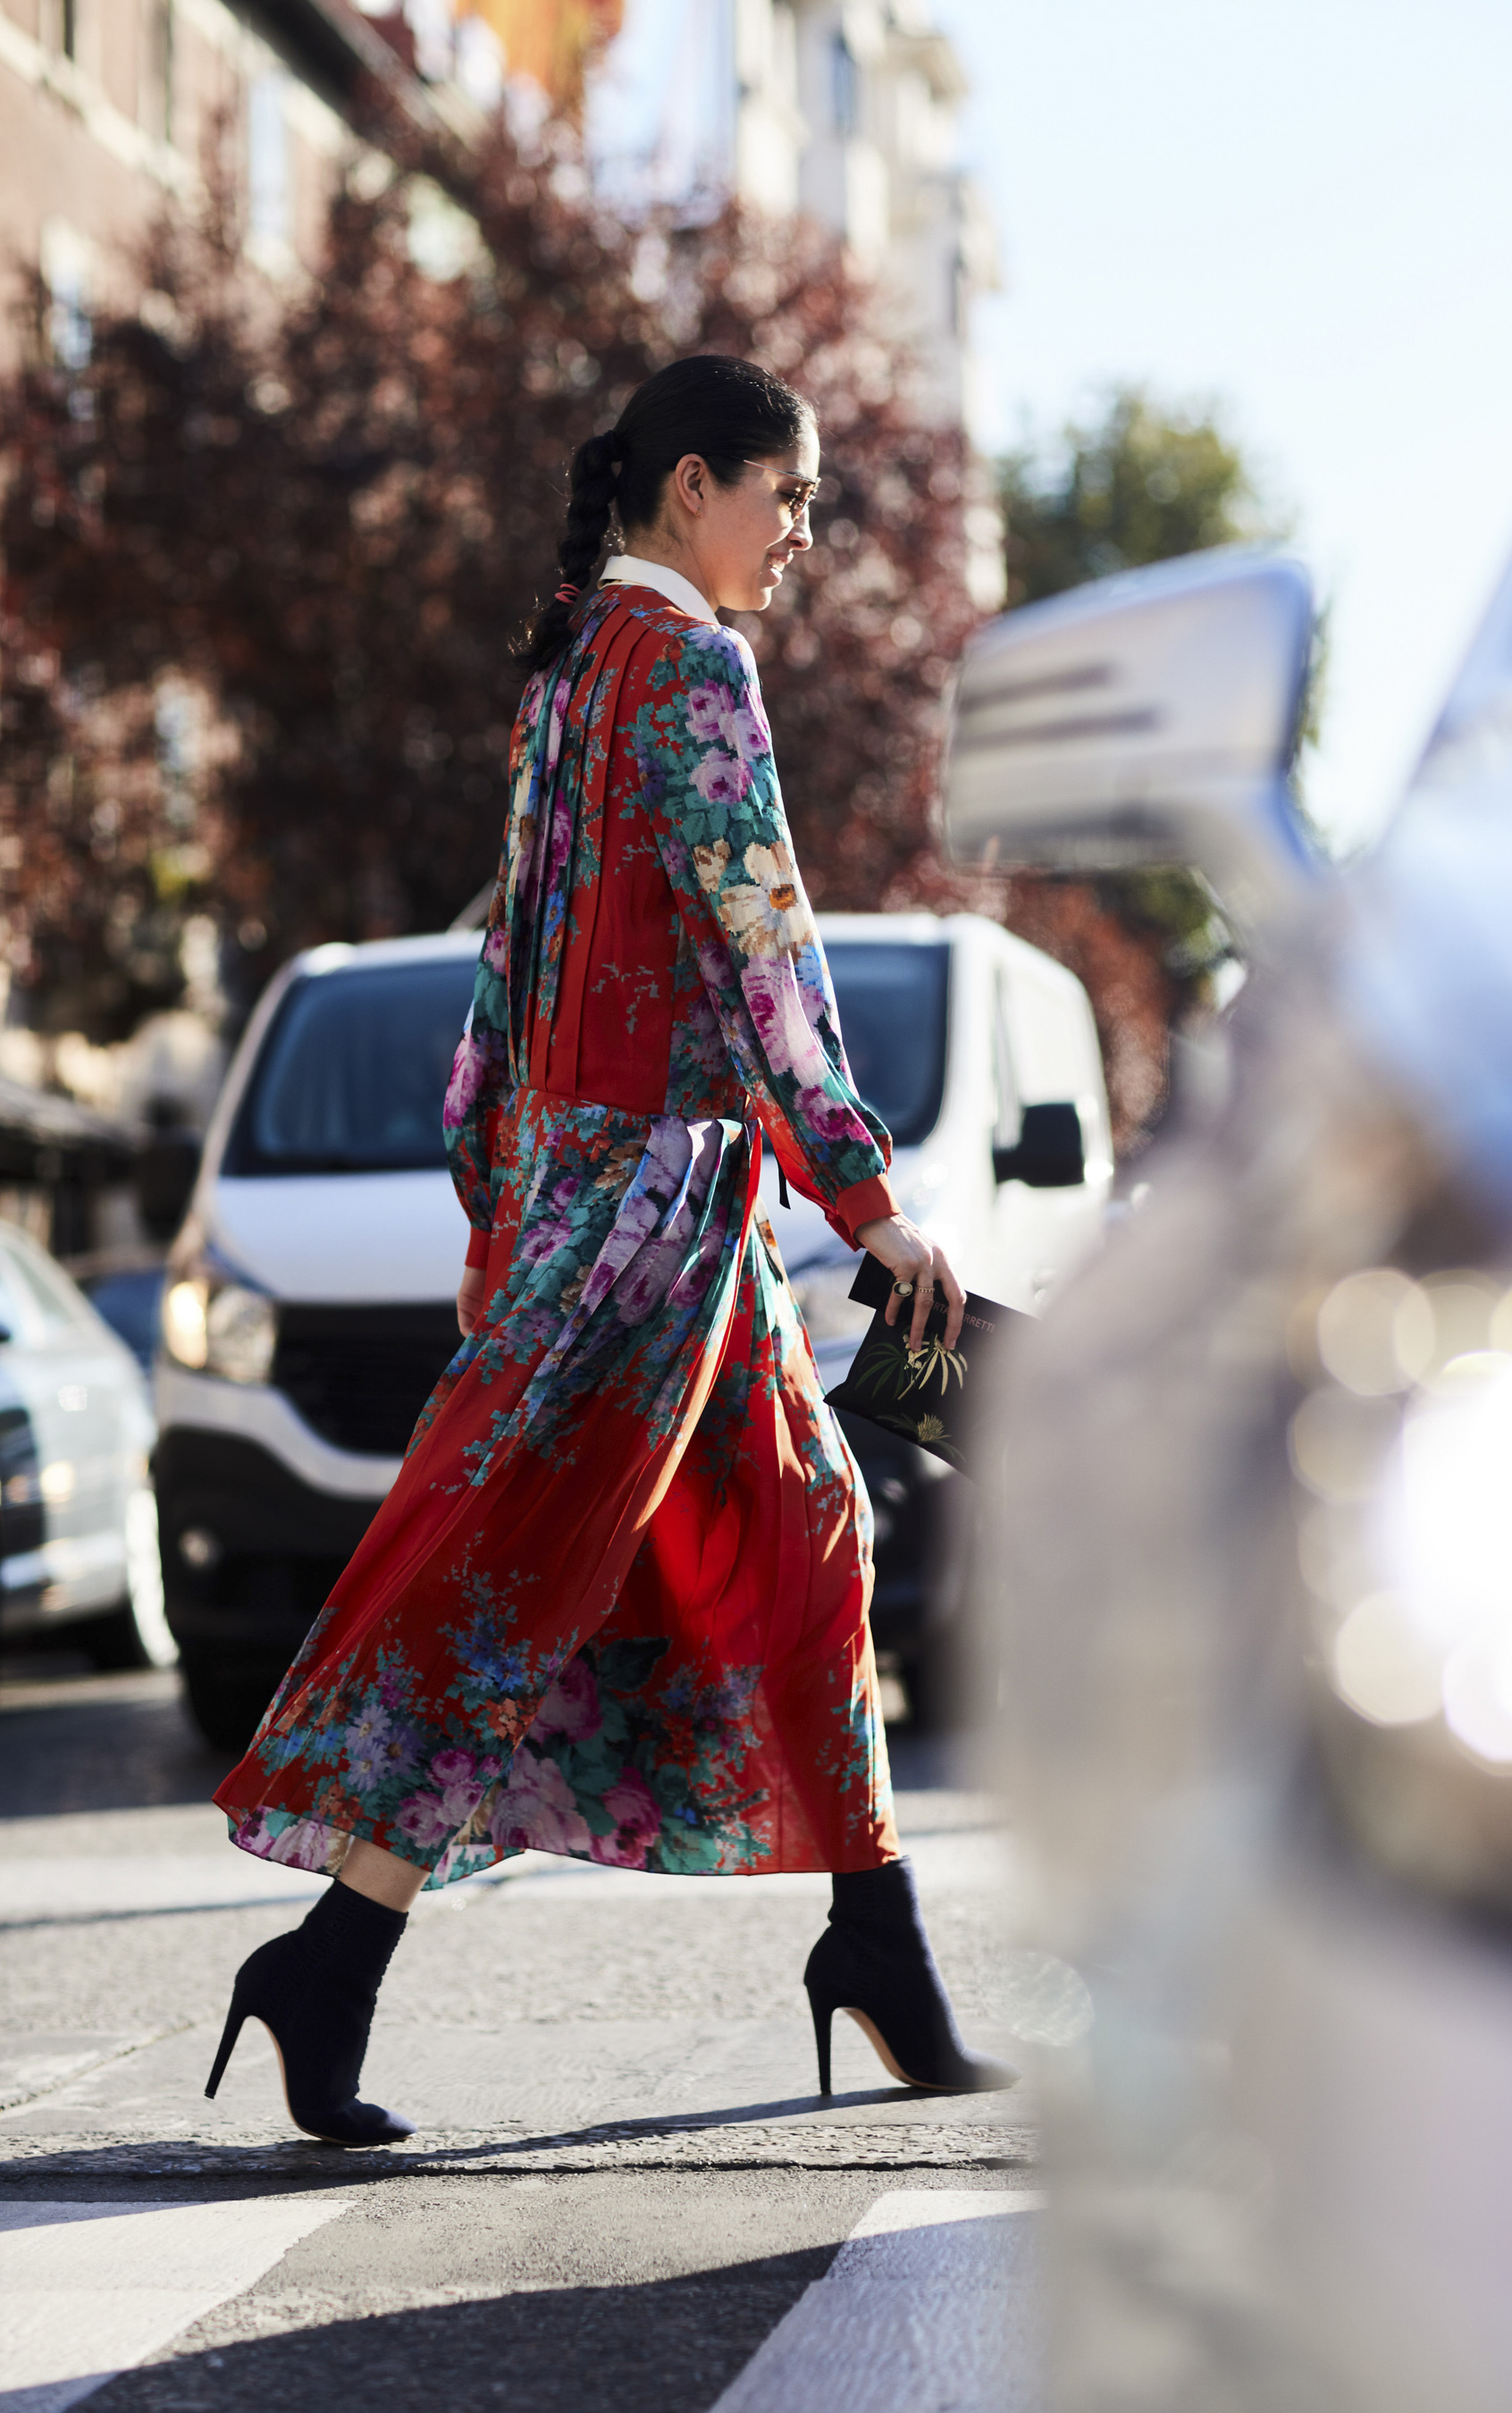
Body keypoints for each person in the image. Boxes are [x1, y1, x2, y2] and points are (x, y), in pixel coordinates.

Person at [204, 353, 1015, 2145]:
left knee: (812, 1525)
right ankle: (330, 1963)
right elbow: (764, 943)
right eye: (787, 497)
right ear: (692, 486)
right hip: (648, 1202)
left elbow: (508, 960)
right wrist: (865, 1194)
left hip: (624, 1194)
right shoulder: (687, 670)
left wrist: (495, 1183)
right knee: (512, 1578)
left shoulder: (574, 665)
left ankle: (876, 1942)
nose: (800, 535)